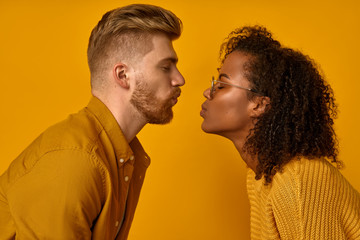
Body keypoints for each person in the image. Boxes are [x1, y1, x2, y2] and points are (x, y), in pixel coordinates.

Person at [0, 4, 184, 240]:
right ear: (123, 75)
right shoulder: (75, 160)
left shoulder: (124, 158)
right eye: (166, 67)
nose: (179, 79)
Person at [200, 26, 360, 239]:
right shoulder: (259, 176)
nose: (207, 92)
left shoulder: (298, 180)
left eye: (221, 84)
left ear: (259, 104)